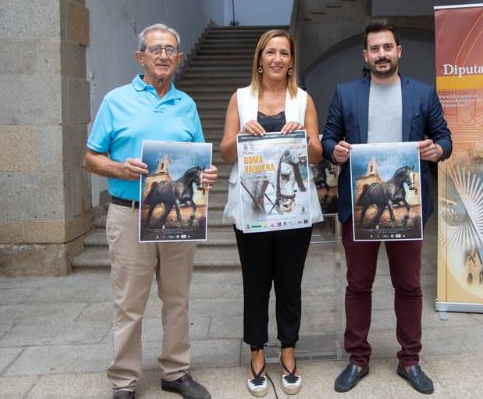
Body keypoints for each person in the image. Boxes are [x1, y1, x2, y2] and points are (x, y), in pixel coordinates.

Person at [84, 23, 217, 399]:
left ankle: (175, 371)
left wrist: (205, 175)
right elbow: (90, 158)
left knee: (177, 297)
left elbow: (196, 157)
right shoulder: (116, 100)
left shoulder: (186, 104)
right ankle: (124, 380)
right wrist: (119, 168)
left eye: (170, 50)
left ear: (178, 57)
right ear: (140, 56)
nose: (163, 56)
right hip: (129, 213)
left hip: (175, 222)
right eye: (156, 49)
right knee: (129, 301)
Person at [322, 19, 452, 395]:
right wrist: (336, 150)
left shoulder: (423, 94)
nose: (381, 54)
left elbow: (444, 137)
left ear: (399, 51)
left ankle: (410, 359)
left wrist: (437, 149)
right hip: (360, 209)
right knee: (358, 285)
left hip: (407, 207)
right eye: (374, 49)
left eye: (387, 47)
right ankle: (357, 359)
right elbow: (329, 138)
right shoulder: (345, 94)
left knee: (409, 286)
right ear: (366, 55)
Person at [220, 29, 323, 397]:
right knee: (256, 282)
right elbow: (226, 152)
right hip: (253, 206)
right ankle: (258, 351)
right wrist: (241, 135)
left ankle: (289, 350)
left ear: (292, 60)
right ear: (260, 59)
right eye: (271, 52)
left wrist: (306, 138)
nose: (277, 59)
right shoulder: (241, 98)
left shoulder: (304, 100)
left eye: (284, 53)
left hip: (294, 207)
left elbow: (316, 154)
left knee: (290, 282)